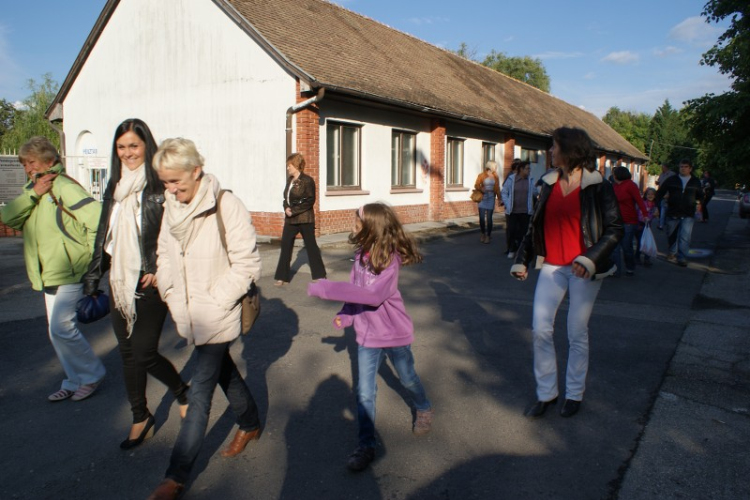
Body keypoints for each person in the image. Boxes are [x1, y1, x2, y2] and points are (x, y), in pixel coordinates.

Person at [147, 138, 262, 500]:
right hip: (187, 311)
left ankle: (175, 476)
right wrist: (168, 291)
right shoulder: (171, 207)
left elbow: (247, 264)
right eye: (164, 181)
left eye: (175, 180)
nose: (170, 188)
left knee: (199, 392)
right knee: (223, 371)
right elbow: (164, 255)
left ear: (196, 171)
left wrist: (215, 302)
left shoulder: (226, 204)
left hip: (216, 313)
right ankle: (250, 422)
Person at [83, 119, 189, 449]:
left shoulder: (159, 186)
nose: (128, 153)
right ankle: (140, 417)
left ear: (146, 147)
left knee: (143, 353)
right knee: (128, 354)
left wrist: (160, 266)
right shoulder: (114, 186)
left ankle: (182, 391)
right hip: (119, 280)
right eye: (121, 147)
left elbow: (177, 230)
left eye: (134, 146)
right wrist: (92, 276)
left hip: (149, 280)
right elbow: (105, 236)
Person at [308, 203, 433, 472]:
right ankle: (366, 445)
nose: (353, 222)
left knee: (408, 377)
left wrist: (327, 289)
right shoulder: (360, 256)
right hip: (366, 335)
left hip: (394, 333)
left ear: (371, 227)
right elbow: (356, 291)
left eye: (357, 220)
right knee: (365, 392)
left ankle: (423, 406)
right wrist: (347, 315)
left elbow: (373, 296)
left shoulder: (389, 260)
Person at [511, 127, 622, 419]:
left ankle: (574, 393)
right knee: (540, 330)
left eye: (554, 146)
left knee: (576, 332)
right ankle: (546, 393)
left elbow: (615, 229)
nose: (550, 151)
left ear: (570, 150)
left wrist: (590, 259)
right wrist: (522, 259)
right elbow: (534, 225)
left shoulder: (598, 186)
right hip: (552, 267)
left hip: (583, 270)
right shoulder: (547, 184)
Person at [1, 137, 106, 402]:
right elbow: (8, 218)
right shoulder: (34, 190)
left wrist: (86, 259)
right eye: (25, 163)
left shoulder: (63, 187)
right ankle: (73, 379)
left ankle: (91, 375)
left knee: (62, 328)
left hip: (70, 271)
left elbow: (98, 221)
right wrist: (33, 193)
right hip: (47, 272)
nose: (28, 168)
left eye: (32, 162)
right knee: (55, 331)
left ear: (50, 160)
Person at [273, 152, 326, 286]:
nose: (288, 168)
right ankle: (282, 277)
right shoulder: (289, 181)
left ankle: (319, 275)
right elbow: (286, 198)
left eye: (289, 165)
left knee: (311, 246)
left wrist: (294, 211)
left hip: (304, 219)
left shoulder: (307, 180)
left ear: (296, 165)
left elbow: (310, 200)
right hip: (290, 219)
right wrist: (286, 208)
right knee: (285, 245)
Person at [655, 158, 704, 267]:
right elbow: (659, 193)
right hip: (672, 211)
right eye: (681, 166)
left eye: (686, 167)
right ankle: (672, 252)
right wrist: (657, 206)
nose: (683, 169)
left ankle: (682, 257)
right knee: (671, 234)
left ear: (690, 169)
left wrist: (699, 205)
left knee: (684, 236)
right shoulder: (672, 179)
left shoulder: (695, 181)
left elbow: (700, 196)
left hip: (688, 213)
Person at [611, 166, 650, 277]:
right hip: (616, 220)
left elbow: (639, 200)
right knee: (614, 246)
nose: (613, 176)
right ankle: (615, 269)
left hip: (629, 221)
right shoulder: (614, 186)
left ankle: (630, 267)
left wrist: (645, 214)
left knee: (626, 246)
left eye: (614, 174)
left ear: (618, 174)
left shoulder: (631, 185)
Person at [501, 159, 535, 258]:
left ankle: (520, 251)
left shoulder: (530, 180)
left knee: (523, 232)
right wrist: (507, 204)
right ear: (521, 169)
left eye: (529, 169)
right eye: (527, 169)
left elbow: (535, 192)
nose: (529, 171)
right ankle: (511, 249)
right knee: (511, 231)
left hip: (525, 211)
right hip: (512, 211)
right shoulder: (511, 179)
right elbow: (504, 192)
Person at [473, 160, 500, 244]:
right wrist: (481, 188)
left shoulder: (495, 176)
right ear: (491, 166)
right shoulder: (482, 175)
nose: (496, 168)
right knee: (481, 218)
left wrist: (500, 198)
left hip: (491, 198)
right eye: (495, 166)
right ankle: (482, 234)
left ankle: (488, 236)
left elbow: (497, 188)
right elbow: (476, 185)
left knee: (489, 218)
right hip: (483, 198)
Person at [635, 187, 659, 267]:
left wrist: (654, 215)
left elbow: (654, 215)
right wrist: (649, 217)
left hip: (647, 226)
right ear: (645, 195)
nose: (650, 195)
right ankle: (637, 257)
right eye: (648, 194)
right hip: (640, 226)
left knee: (647, 242)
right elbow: (640, 215)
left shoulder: (654, 205)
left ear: (655, 196)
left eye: (652, 194)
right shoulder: (643, 203)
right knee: (641, 243)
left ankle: (646, 259)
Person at [655, 163, 674, 230]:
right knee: (660, 207)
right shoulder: (661, 174)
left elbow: (672, 185)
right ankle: (663, 222)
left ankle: (662, 224)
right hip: (660, 193)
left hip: (667, 193)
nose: (662, 169)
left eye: (663, 167)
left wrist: (669, 194)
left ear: (666, 167)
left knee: (664, 208)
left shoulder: (671, 174)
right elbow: (660, 182)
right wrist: (657, 183)